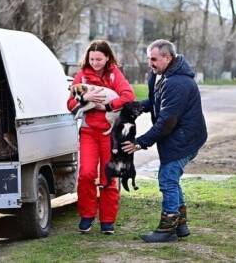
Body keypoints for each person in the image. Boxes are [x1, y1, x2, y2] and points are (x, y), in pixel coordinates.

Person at [122, 39, 207, 242]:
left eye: (154, 59)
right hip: (177, 136)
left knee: (167, 178)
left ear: (168, 58)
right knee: (171, 179)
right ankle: (181, 225)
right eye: (149, 59)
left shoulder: (177, 83)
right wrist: (135, 108)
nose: (150, 63)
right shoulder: (160, 75)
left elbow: (166, 122)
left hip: (184, 138)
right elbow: (155, 101)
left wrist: (140, 142)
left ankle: (167, 230)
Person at [67, 40, 135, 234]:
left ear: (107, 58)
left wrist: (106, 106)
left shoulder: (115, 74)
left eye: (99, 59)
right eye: (92, 59)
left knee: (109, 176)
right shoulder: (81, 76)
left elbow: (128, 97)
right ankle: (87, 215)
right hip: (88, 132)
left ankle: (107, 220)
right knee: (86, 174)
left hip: (110, 134)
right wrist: (84, 99)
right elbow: (70, 104)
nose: (95, 62)